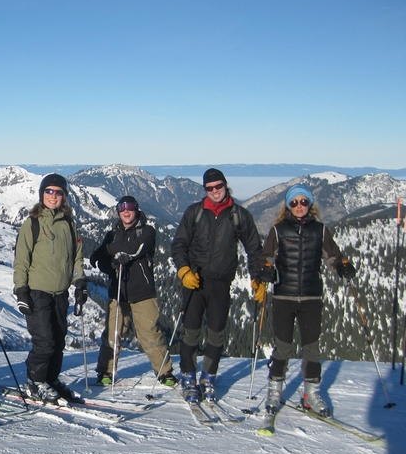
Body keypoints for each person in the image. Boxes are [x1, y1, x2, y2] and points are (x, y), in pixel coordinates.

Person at [258, 184, 356, 418]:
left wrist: (343, 267)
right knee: (283, 346)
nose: (299, 206)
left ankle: (311, 394)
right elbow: (266, 257)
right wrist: (265, 270)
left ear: (309, 204)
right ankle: (275, 391)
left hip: (311, 296)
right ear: (288, 206)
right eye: (294, 202)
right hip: (284, 296)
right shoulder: (278, 230)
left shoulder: (320, 230)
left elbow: (333, 257)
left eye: (303, 202)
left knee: (311, 347)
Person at [171, 168, 262, 403]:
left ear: (225, 185)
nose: (214, 191)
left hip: (221, 282)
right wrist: (184, 270)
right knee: (190, 332)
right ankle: (188, 376)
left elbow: (254, 249)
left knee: (216, 334)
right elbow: (179, 244)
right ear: (205, 189)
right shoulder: (195, 212)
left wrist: (257, 277)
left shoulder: (239, 215)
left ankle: (208, 377)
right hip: (195, 281)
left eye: (218, 186)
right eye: (209, 188)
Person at [13, 173, 87, 404]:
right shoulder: (32, 224)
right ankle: (35, 382)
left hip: (60, 293)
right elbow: (21, 260)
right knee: (44, 341)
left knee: (58, 340)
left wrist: (80, 282)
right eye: (49, 191)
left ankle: (50, 379)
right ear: (41, 194)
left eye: (58, 192)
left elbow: (76, 257)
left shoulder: (68, 224)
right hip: (37, 292)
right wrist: (21, 290)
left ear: (64, 196)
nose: (53, 196)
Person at [90, 196, 177, 387]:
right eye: (122, 208)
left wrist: (109, 251)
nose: (126, 212)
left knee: (149, 333)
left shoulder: (147, 231)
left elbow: (134, 249)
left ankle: (164, 371)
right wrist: (111, 264)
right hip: (118, 292)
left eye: (129, 207)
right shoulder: (113, 234)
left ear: (136, 209)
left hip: (142, 291)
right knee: (112, 333)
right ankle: (105, 370)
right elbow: (99, 261)